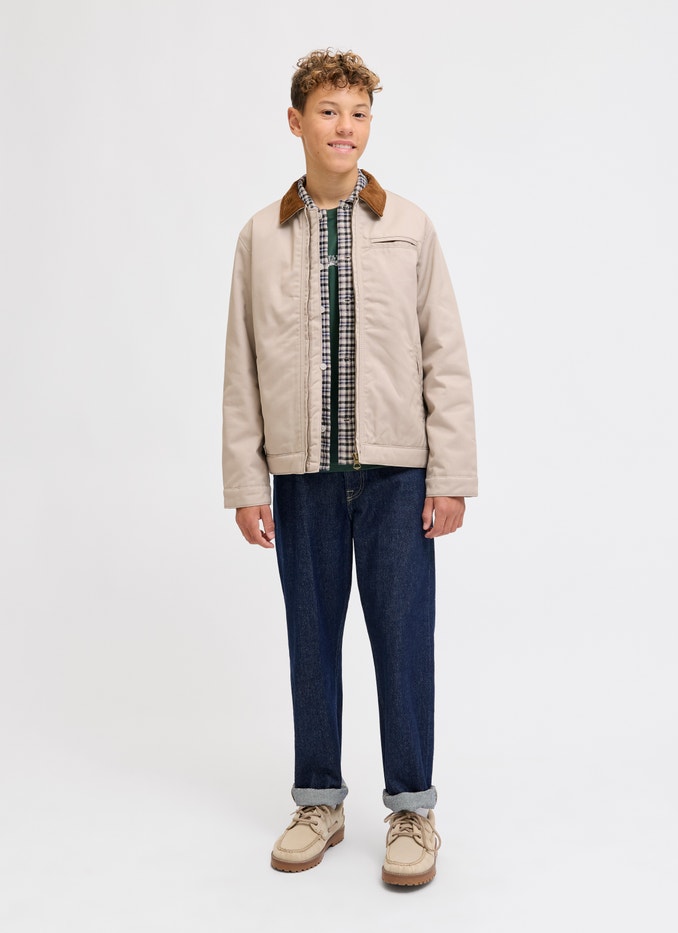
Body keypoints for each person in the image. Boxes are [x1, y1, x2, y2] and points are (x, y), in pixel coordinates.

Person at [222, 48, 477, 886]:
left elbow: (444, 355)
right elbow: (241, 367)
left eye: (359, 113)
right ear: (296, 121)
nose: (346, 127)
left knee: (403, 640)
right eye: (329, 111)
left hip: (399, 475)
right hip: (302, 479)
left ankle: (412, 809)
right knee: (311, 639)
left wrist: (449, 473)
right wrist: (246, 481)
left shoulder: (409, 226)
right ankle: (319, 800)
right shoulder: (261, 236)